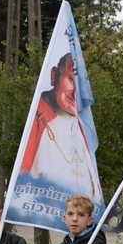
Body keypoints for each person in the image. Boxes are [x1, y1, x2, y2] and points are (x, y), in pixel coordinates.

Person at [18, 53, 103, 205]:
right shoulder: (35, 122)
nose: (76, 93)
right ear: (54, 76)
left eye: (81, 87)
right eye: (71, 80)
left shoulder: (83, 128)